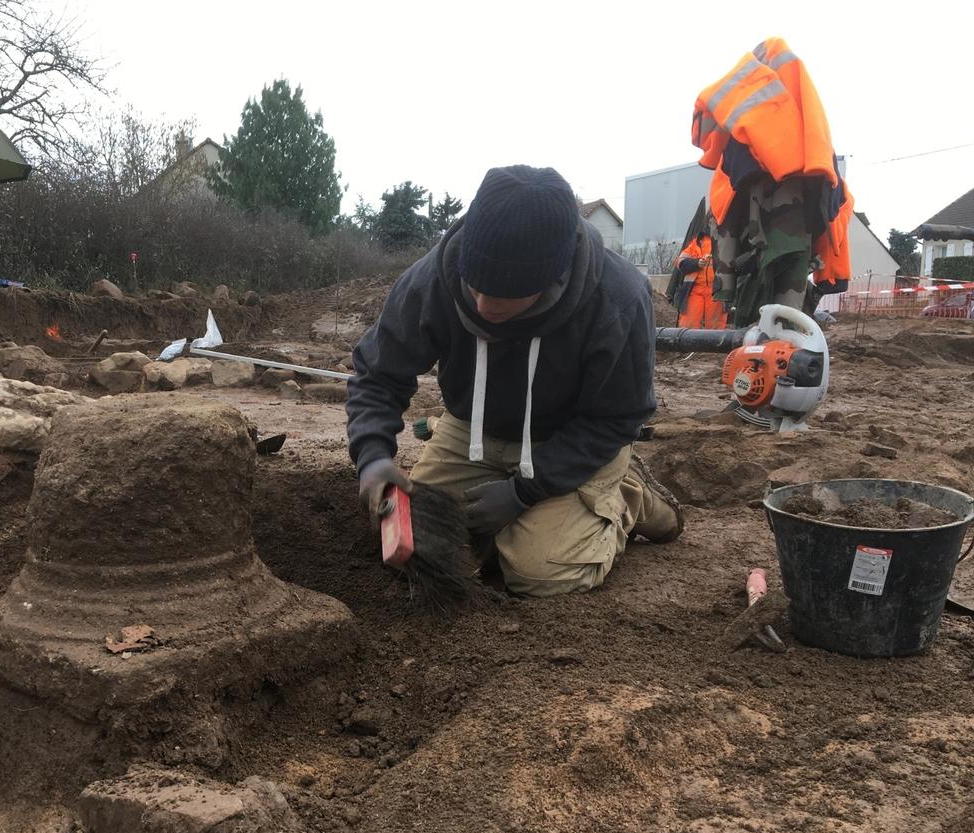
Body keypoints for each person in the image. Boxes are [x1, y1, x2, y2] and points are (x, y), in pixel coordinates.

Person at [346, 165, 683, 598]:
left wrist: (524, 493)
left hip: (574, 441)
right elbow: (377, 372)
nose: (484, 306)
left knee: (539, 572)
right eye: (476, 286)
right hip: (474, 431)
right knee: (420, 545)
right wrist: (372, 456)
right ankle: (550, 518)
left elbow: (617, 418)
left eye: (505, 295)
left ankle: (626, 498)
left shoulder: (617, 299)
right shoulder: (435, 277)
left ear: (553, 278)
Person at [692, 37, 852, 327]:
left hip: (764, 250)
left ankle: (761, 365)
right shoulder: (813, 143)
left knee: (758, 334)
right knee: (785, 330)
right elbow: (836, 207)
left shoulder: (745, 142)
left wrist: (726, 283)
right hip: (788, 247)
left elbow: (725, 216)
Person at [667, 199, 728, 329]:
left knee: (715, 328)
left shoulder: (726, 239)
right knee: (688, 325)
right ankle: (688, 348)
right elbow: (680, 262)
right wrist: (697, 263)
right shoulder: (698, 241)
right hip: (694, 290)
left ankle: (712, 349)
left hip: (717, 289)